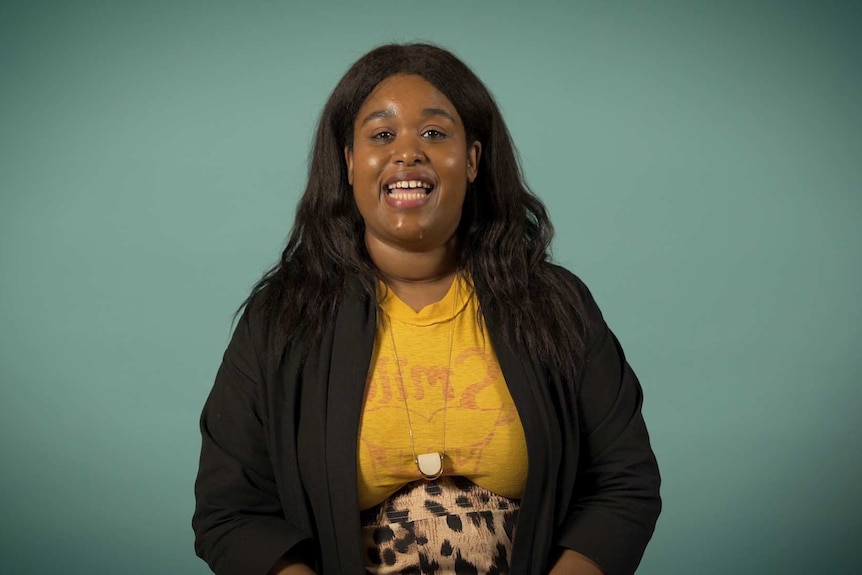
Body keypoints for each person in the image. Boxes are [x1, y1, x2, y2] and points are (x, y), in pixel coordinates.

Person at [193, 43, 661, 575]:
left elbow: (624, 484)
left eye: (435, 134)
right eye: (382, 135)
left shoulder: (555, 306)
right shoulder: (280, 321)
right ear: (349, 162)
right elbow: (230, 513)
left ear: (474, 160)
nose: (408, 152)